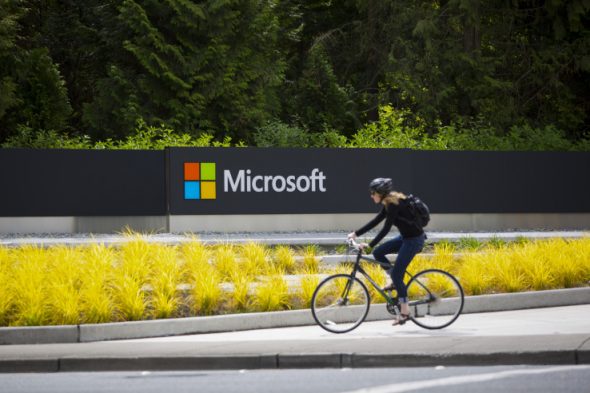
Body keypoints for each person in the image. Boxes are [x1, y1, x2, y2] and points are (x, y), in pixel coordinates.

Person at [347, 178, 426, 326]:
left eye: (373, 193)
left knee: (396, 274)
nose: (371, 196)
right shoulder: (389, 202)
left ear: (381, 193)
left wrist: (369, 244)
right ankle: (395, 283)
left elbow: (385, 229)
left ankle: (405, 312)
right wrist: (355, 234)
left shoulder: (393, 203)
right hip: (405, 237)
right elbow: (377, 220)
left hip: (414, 241)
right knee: (378, 253)